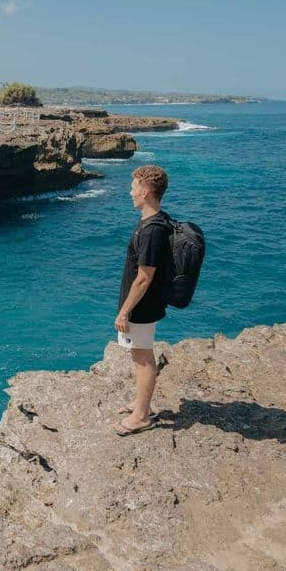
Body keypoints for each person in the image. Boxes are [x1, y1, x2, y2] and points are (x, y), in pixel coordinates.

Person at [114, 164, 171, 436]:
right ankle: (140, 403)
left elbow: (144, 277)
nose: (130, 192)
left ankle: (141, 416)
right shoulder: (155, 222)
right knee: (139, 353)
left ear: (146, 192)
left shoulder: (151, 230)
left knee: (143, 357)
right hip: (144, 303)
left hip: (142, 305)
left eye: (134, 187)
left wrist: (124, 311)